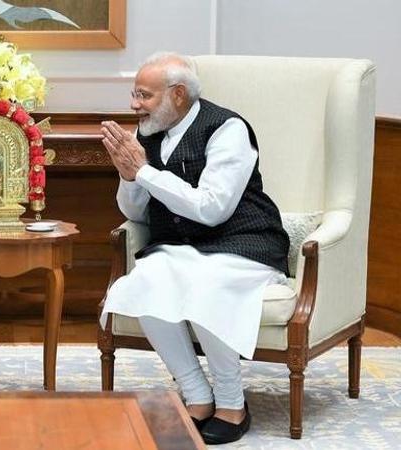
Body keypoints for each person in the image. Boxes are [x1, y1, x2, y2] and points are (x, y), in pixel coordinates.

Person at [99, 52, 290, 445]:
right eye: (134, 93)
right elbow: (136, 211)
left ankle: (233, 404)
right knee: (143, 282)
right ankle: (198, 395)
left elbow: (212, 209)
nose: (135, 104)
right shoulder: (145, 132)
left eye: (144, 95)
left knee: (207, 286)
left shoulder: (227, 128)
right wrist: (128, 176)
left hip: (244, 243)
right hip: (182, 247)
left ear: (179, 95)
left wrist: (145, 172)